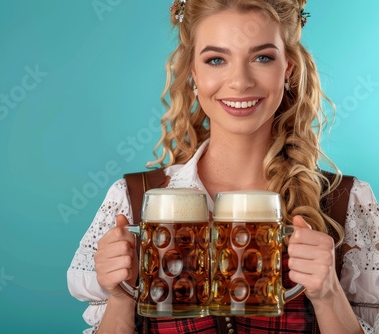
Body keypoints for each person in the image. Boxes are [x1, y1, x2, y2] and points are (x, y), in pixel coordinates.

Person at [67, 0, 379, 333]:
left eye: (262, 57)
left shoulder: (347, 200)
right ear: (193, 73)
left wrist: (328, 294)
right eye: (216, 59)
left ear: (288, 68)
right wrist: (120, 297)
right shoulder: (133, 199)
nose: (239, 81)